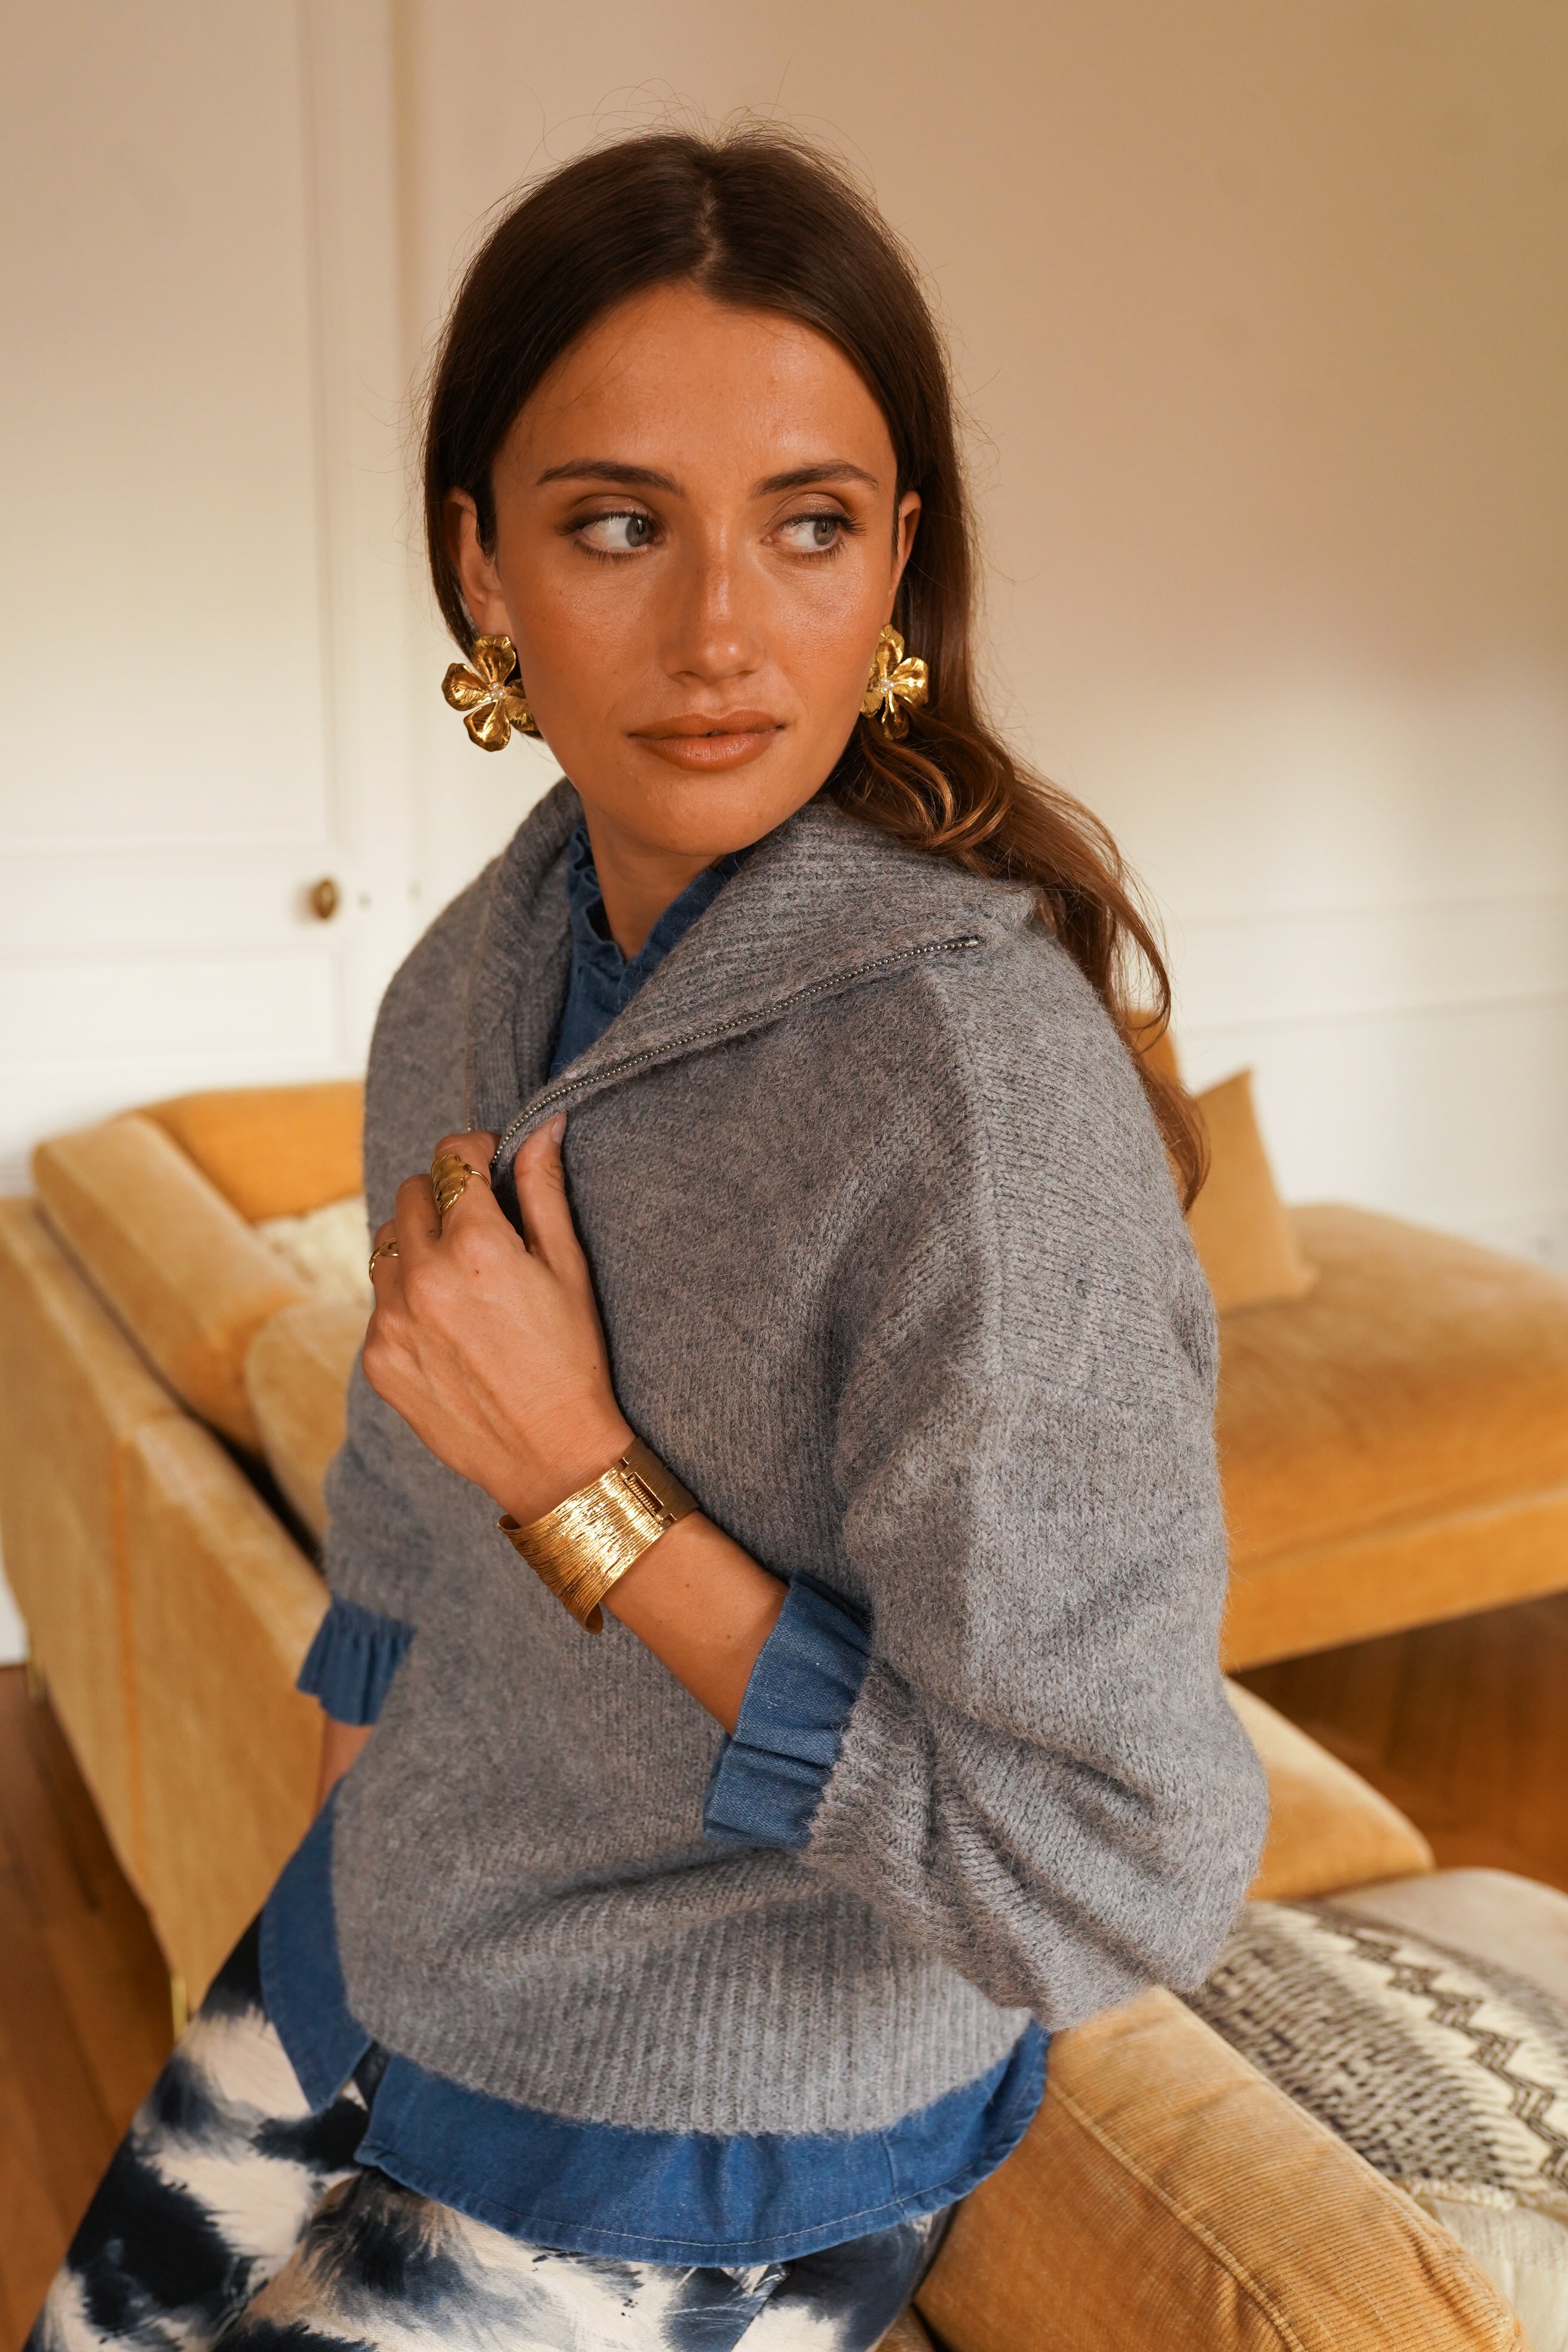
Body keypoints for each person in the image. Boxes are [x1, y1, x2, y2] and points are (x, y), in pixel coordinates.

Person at [30, 127, 1266, 2352]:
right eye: (618, 524)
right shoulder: (469, 976)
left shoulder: (971, 1102)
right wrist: (359, 1879)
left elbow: (1117, 1877)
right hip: (381, 1944)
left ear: (898, 564)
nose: (719, 636)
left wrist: (586, 1486)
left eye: (809, 525)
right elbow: (399, 1524)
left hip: (713, 2109)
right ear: (482, 564)